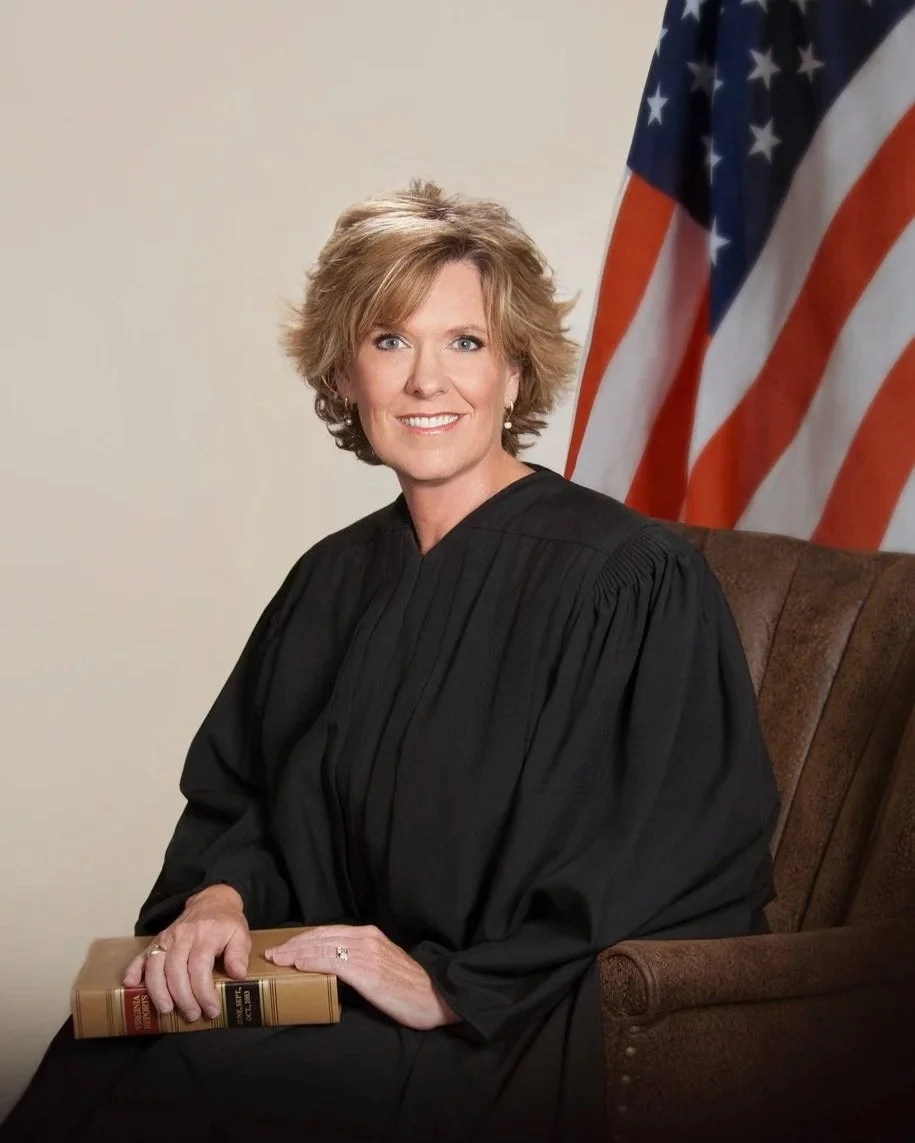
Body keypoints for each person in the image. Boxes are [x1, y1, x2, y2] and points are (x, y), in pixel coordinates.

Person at [1, 180, 779, 1142]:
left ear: (514, 372)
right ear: (344, 375)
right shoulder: (329, 581)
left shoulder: (631, 582)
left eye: (465, 342)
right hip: (341, 988)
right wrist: (217, 900)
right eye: (389, 341)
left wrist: (449, 987)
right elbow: (249, 795)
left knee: (194, 1078)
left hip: (517, 1020)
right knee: (103, 1046)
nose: (425, 381)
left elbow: (676, 858)